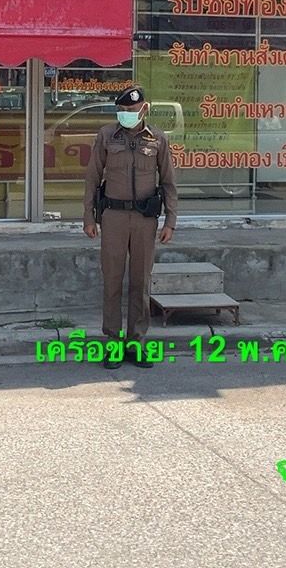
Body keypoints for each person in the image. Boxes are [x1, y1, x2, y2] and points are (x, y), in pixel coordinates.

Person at [82, 85, 177, 368]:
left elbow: (168, 182)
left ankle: (136, 343)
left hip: (145, 220)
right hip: (113, 217)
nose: (125, 114)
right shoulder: (106, 136)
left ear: (144, 109)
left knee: (141, 282)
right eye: (121, 110)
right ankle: (113, 343)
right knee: (112, 281)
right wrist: (88, 217)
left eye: (131, 110)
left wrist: (171, 220)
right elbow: (92, 177)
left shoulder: (157, 139)